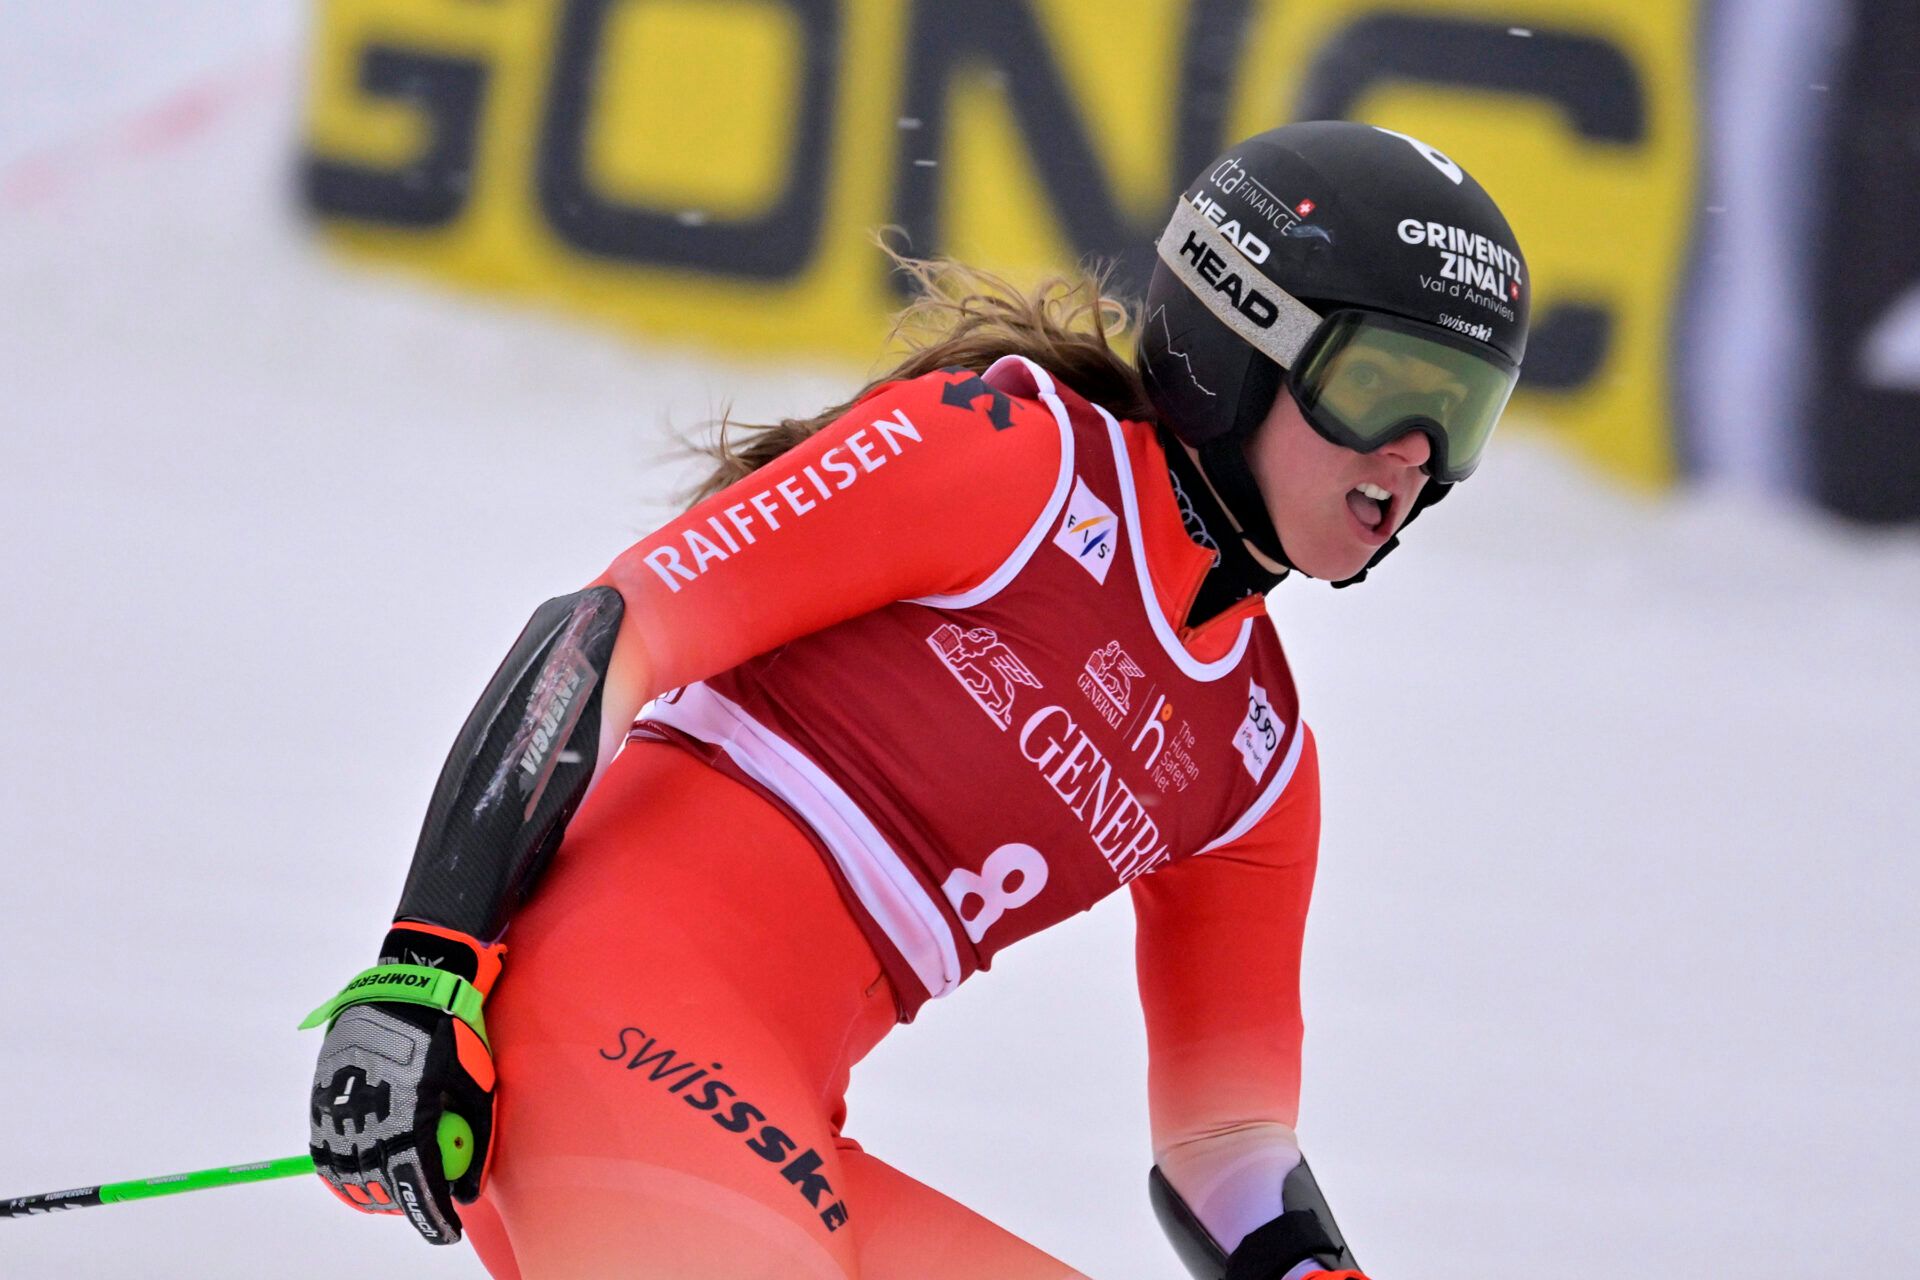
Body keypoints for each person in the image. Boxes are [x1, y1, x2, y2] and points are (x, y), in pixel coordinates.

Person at [302, 120, 1529, 1279]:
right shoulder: (1017, 462)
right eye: (1384, 386)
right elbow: (602, 637)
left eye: (1459, 411)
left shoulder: (1255, 758)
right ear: (1240, 338)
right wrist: (424, 968)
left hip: (762, 1120)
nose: (1414, 453)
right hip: (592, 1034)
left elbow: (1229, 1141)